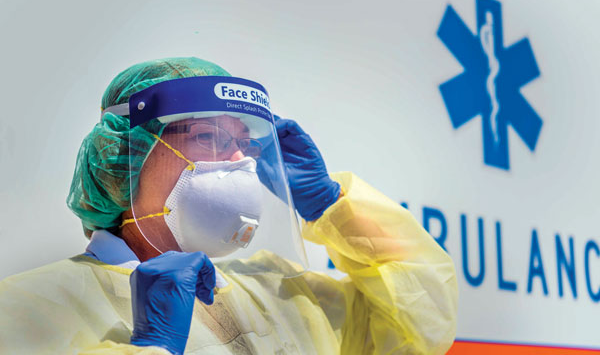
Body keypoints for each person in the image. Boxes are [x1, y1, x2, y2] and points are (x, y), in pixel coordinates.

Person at [0, 57, 458, 354]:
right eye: (208, 137)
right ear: (126, 156)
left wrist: (330, 205)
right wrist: (154, 348)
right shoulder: (30, 308)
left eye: (244, 144)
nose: (239, 161)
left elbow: (424, 321)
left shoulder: (282, 291)